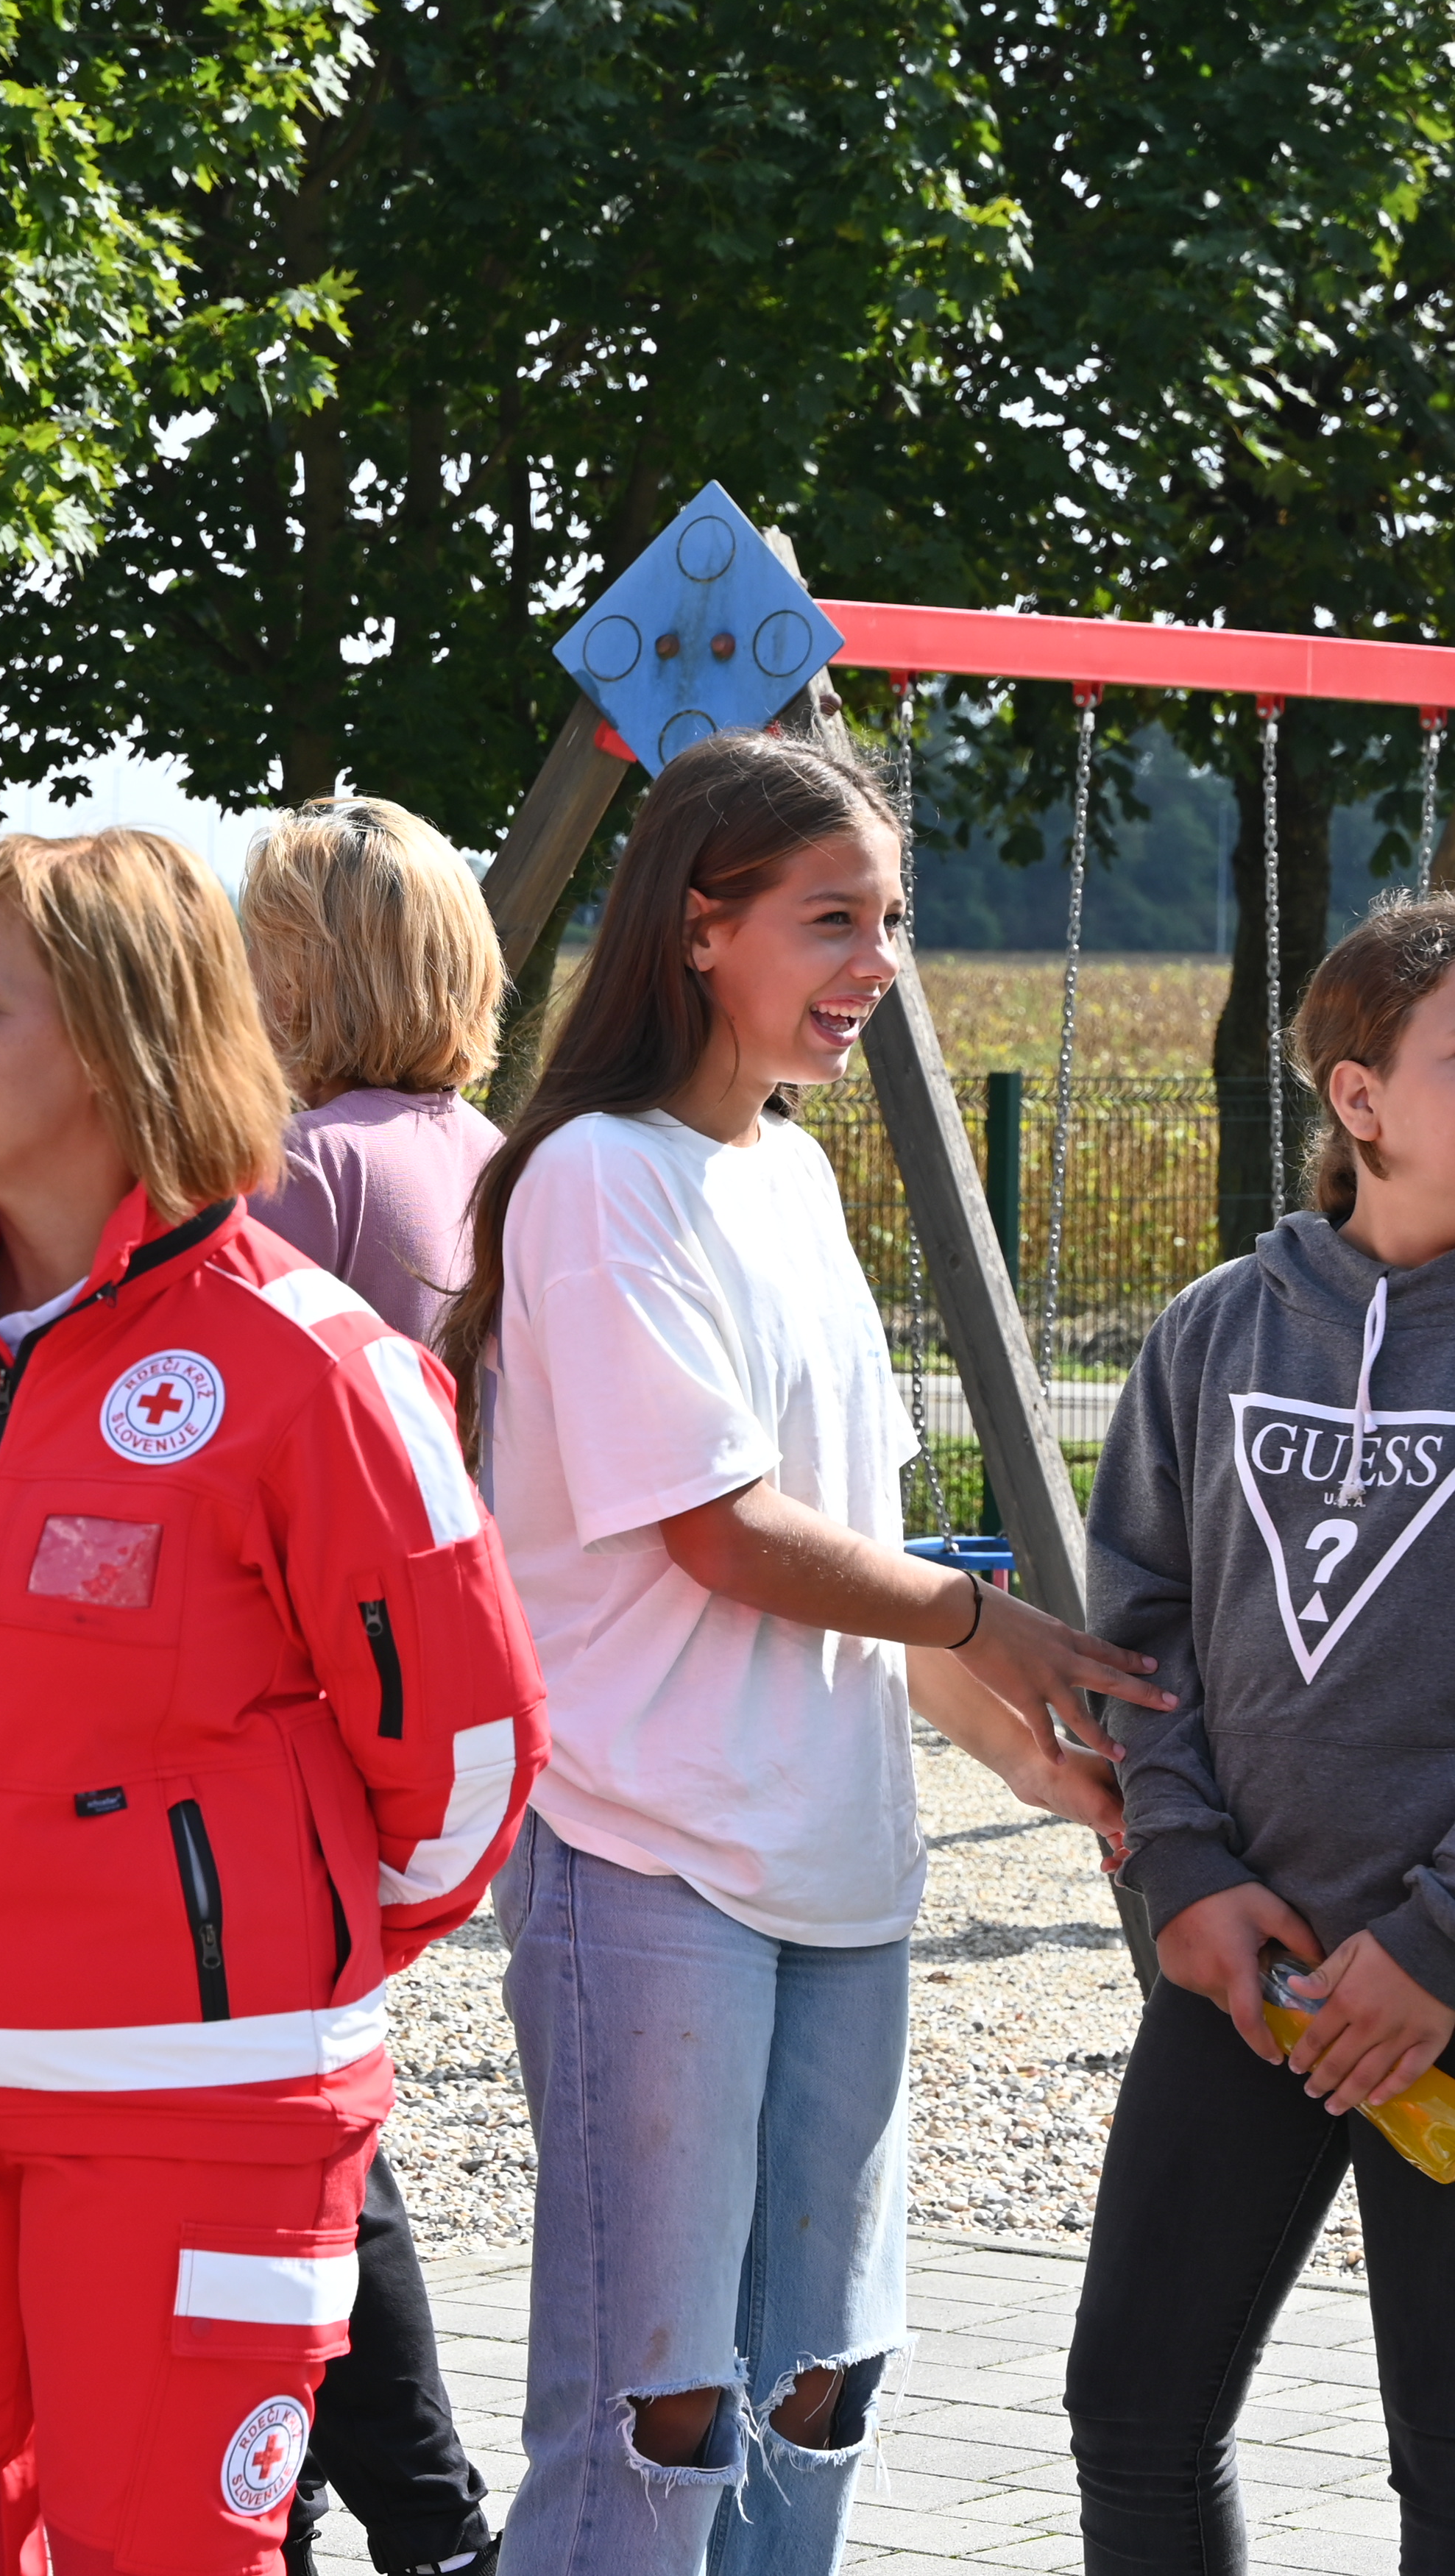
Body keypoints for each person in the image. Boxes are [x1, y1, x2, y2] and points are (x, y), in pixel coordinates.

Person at [0, 828, 546, 2576]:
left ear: (120, 1043)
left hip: (200, 2111)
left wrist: (260, 1938)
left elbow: (469, 1748)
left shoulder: (308, 1365)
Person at [442, 729, 1158, 2575]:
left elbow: (856, 1542)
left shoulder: (785, 1175)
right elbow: (719, 1530)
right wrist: (989, 1617)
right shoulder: (599, 1177)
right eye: (832, 917)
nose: (878, 963)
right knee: (655, 2399)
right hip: (649, 1851)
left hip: (842, 1869)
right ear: (698, 927)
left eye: (893, 920)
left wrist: (1012, 1747)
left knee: (820, 2377)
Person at [1071, 898, 1455, 2569]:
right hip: (1252, 1978)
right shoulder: (1214, 1332)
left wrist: (1437, 1939)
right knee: (1132, 2413)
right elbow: (1135, 1629)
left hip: (1440, 1995)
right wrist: (1186, 1873)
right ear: (1357, 1100)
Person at [220, 795, 517, 2576]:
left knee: (300, 2157)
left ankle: (408, 2518)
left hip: (287, 1699)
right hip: (422, 1680)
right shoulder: (492, 1151)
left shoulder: (299, 1169)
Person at [240, 795, 509, 1347]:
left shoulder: (303, 1164)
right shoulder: (499, 1156)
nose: (242, 969)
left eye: (255, 946)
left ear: (297, 982)